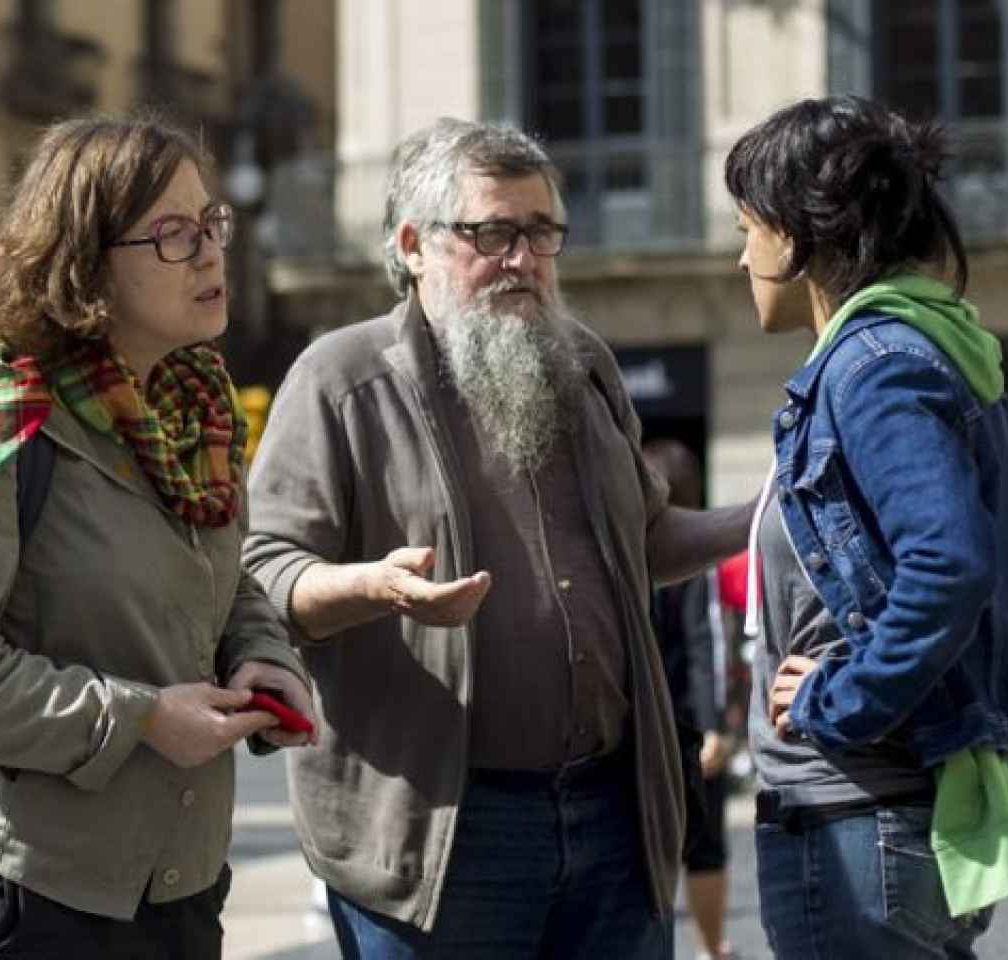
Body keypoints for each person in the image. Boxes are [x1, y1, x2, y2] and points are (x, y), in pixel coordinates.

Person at [241, 118, 752, 958]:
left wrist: (760, 514)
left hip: (613, 817)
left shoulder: (581, 361)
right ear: (413, 245)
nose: (523, 259)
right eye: (492, 233)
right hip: (446, 832)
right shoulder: (339, 378)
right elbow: (260, 575)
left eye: (541, 232)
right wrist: (375, 587)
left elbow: (648, 538)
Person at [0, 114, 315, 958]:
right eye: (172, 235)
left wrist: (262, 655)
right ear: (84, 265)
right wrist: (140, 718)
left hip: (176, 884)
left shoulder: (196, 405)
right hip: (25, 895)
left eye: (211, 224)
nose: (210, 253)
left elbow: (221, 583)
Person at [727, 95, 1008, 958]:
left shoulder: (873, 368)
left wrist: (842, 697)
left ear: (793, 237)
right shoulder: (936, 351)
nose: (739, 256)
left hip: (862, 819)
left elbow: (949, 564)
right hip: (895, 812)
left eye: (746, 228)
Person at [644, 438, 737, 960]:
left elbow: (709, 645)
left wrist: (715, 726)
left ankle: (707, 947)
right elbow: (710, 645)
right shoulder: (686, 555)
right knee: (701, 846)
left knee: (669, 847)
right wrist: (716, 724)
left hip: (660, 729)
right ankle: (711, 947)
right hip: (683, 727)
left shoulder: (632, 548)